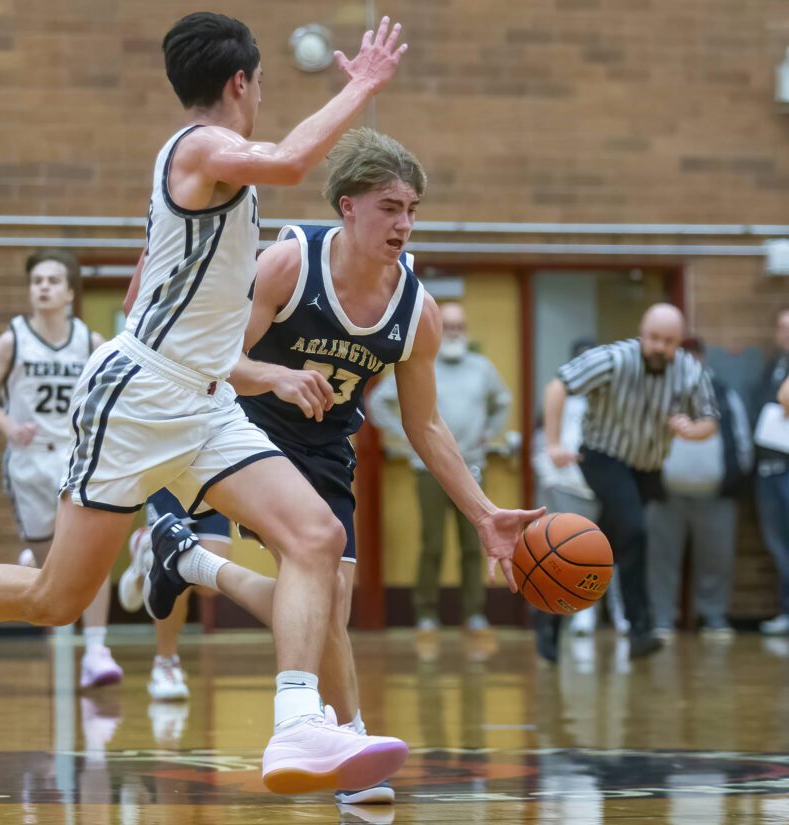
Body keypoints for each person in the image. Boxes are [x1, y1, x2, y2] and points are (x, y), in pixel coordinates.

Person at [0, 11, 415, 796]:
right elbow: (288, 159)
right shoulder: (200, 146)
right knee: (57, 597)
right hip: (139, 394)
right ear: (241, 83)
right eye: (260, 84)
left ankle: (296, 725)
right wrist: (362, 86)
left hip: (207, 397)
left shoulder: (215, 166)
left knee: (314, 535)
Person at [133, 127, 544, 803]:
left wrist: (485, 513)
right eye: (390, 206)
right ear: (348, 207)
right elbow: (211, 358)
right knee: (322, 588)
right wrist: (276, 376)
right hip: (247, 425)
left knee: (331, 604)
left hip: (326, 447)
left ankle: (188, 559)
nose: (404, 222)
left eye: (412, 208)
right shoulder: (289, 265)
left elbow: (426, 425)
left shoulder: (418, 311)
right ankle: (351, 748)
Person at [0, 249, 121, 688]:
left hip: (74, 458)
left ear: (70, 291)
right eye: (37, 280)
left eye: (53, 280)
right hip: (30, 459)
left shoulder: (90, 341)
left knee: (89, 558)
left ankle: (96, 649)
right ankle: (32, 565)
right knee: (50, 573)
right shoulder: (13, 339)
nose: (43, 287)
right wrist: (10, 426)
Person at [537, 304, 719, 662]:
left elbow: (710, 419)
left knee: (607, 543)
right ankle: (640, 629)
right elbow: (558, 386)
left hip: (647, 467)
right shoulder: (613, 359)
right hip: (604, 456)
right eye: (653, 338)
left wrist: (692, 430)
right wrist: (553, 443)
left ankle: (549, 613)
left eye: (667, 341)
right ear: (642, 333)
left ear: (678, 342)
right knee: (634, 531)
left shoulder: (689, 370)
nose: (658, 347)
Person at [368, 301, 511, 634]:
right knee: (432, 543)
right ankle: (426, 612)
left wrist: (489, 432)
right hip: (428, 469)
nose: (454, 332)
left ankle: (474, 612)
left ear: (467, 331)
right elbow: (377, 402)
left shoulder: (481, 368)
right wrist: (408, 436)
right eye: (448, 326)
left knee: (474, 544)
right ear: (437, 330)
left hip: (473, 467)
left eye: (459, 326)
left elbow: (503, 400)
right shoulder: (421, 363)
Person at [646, 337, 753, 640]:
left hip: (716, 495)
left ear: (704, 359)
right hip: (665, 495)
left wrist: (729, 481)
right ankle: (662, 618)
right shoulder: (658, 393)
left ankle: (714, 617)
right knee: (660, 560)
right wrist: (650, 483)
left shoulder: (724, 393)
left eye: (695, 358)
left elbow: (742, 443)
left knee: (716, 560)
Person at [531, 337, 628, 637]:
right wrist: (550, 475)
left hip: (605, 484)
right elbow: (541, 443)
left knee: (613, 552)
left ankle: (619, 612)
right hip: (569, 489)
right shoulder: (559, 398)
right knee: (576, 554)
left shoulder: (612, 401)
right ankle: (582, 612)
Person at [117, 490, 231, 702]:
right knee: (174, 564)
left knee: (211, 585)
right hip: (170, 475)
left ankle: (146, 557)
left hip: (212, 475)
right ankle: (165, 663)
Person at [754, 308, 789, 635]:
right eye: (781, 327)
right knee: (777, 545)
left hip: (787, 472)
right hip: (766, 471)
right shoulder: (774, 364)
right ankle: (784, 610)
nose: (784, 333)